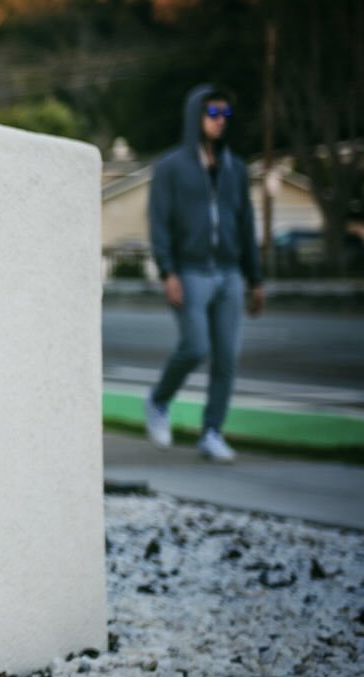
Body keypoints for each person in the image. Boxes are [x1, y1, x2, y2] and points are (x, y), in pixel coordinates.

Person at [144, 84, 265, 462]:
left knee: (226, 358)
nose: (220, 121)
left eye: (225, 114)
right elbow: (159, 222)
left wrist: (255, 279)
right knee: (196, 347)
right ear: (195, 116)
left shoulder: (236, 169)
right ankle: (158, 401)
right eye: (213, 113)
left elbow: (245, 225)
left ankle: (212, 432)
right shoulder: (171, 167)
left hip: (229, 272)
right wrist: (168, 271)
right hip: (190, 271)